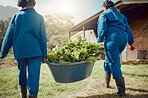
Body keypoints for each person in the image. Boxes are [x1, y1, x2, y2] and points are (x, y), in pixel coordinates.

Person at [0, 0, 47, 98]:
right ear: (33, 3)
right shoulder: (39, 17)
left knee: (22, 75)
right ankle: (33, 95)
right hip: (36, 52)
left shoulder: (16, 17)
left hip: (20, 52)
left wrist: (3, 53)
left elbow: (8, 37)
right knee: (34, 77)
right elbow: (43, 38)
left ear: (20, 3)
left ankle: (23, 94)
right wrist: (44, 54)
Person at [97, 0, 135, 97]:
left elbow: (102, 26)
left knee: (114, 63)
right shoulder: (122, 16)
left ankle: (121, 92)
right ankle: (107, 84)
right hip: (123, 39)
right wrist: (131, 43)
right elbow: (128, 29)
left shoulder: (104, 14)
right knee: (108, 60)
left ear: (105, 7)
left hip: (112, 39)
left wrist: (100, 39)